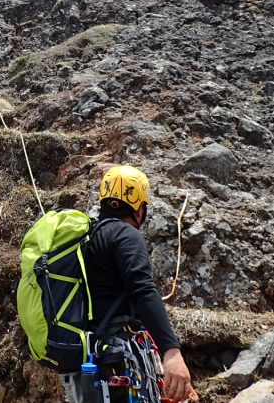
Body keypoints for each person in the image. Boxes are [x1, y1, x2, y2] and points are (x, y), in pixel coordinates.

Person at [83, 165, 193, 403]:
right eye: (143, 205)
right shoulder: (125, 235)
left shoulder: (88, 237)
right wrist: (171, 351)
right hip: (120, 354)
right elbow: (143, 290)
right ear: (136, 205)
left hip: (91, 355)